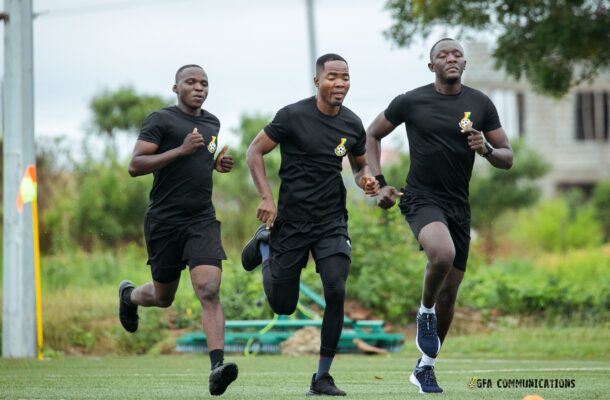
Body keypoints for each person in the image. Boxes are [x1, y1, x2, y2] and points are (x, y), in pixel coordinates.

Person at [366, 38, 513, 394]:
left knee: (450, 294)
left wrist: (486, 149)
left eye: (457, 54)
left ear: (464, 64)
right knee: (441, 254)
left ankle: (425, 368)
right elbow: (371, 134)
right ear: (431, 66)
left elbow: (507, 157)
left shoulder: (480, 103)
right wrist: (380, 182)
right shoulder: (411, 101)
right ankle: (424, 311)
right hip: (420, 198)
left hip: (459, 206)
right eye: (442, 55)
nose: (451, 58)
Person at [241, 53, 379, 396]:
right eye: (332, 77)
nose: (340, 83)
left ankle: (322, 377)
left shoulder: (351, 123)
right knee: (283, 305)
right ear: (317, 81)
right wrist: (266, 198)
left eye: (345, 77)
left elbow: (361, 165)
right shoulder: (291, 116)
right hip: (291, 221)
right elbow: (254, 152)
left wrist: (366, 179)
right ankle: (265, 245)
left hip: (331, 220)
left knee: (336, 289)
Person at [118, 64, 238, 396]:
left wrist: (216, 164)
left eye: (204, 83)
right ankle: (128, 296)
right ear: (176, 88)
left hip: (201, 219)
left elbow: (201, 158)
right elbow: (135, 165)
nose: (199, 88)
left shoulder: (212, 122)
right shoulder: (161, 120)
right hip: (164, 222)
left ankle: (217, 367)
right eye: (191, 82)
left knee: (209, 289)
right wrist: (181, 150)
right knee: (162, 297)